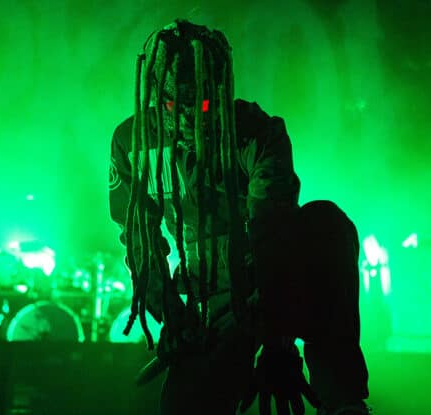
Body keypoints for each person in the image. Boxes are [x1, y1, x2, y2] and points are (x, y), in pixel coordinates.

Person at [108, 19, 369, 415]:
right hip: (206, 303)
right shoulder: (133, 143)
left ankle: (344, 402)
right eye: (172, 106)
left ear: (220, 91)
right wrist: (171, 316)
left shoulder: (256, 132)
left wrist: (278, 337)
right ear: (154, 97)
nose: (188, 118)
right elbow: (139, 236)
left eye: (203, 105)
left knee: (326, 224)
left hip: (269, 281)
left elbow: (273, 229)